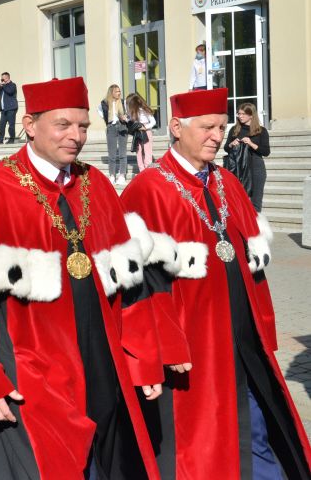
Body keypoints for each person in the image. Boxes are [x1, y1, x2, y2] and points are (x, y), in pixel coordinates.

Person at [0, 76, 163, 478]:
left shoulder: (97, 185)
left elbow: (129, 283)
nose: (77, 136)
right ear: (30, 124)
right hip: (29, 378)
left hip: (101, 368)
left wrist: (142, 356)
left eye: (84, 125)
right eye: (64, 125)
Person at [121, 88, 311, 478]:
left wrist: (264, 327)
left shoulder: (226, 180)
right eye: (207, 127)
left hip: (243, 341)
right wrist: (164, 347)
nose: (217, 135)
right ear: (176, 127)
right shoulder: (147, 189)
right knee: (203, 446)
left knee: (258, 430)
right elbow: (139, 287)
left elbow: (251, 266)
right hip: (193, 347)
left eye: (222, 127)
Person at [225, 102, 270, 212]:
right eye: (238, 114)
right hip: (238, 167)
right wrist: (232, 144)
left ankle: (256, 226)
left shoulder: (261, 131)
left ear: (251, 115)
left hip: (256, 167)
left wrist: (251, 143)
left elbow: (266, 151)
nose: (240, 116)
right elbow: (227, 147)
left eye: (243, 114)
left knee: (256, 202)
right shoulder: (235, 129)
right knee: (237, 200)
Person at [99, 84, 130, 185]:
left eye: (119, 91)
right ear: (111, 92)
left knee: (122, 153)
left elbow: (129, 115)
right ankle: (112, 175)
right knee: (112, 154)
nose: (119, 93)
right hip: (111, 127)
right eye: (117, 91)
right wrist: (107, 120)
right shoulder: (104, 103)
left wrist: (125, 118)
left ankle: (122, 175)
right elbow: (100, 112)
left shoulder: (123, 102)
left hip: (122, 126)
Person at [127, 93, 157, 173]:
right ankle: (141, 170)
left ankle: (148, 170)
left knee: (147, 151)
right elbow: (130, 120)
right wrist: (127, 119)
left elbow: (153, 122)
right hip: (137, 133)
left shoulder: (143, 109)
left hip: (146, 132)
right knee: (138, 151)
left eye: (128, 103)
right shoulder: (131, 111)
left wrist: (145, 127)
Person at [0, 71, 19, 144]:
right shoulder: (3, 86)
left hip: (11, 108)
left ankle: (11, 139)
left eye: (3, 78)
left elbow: (10, 92)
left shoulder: (12, 85)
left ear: (7, 78)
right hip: (3, 109)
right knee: (2, 124)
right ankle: (0, 139)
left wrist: (4, 85)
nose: (2, 80)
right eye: (1, 79)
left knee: (11, 124)